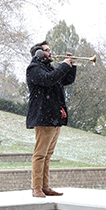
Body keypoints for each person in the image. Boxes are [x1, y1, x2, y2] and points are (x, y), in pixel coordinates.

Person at [26, 40, 76, 198]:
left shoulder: (49, 68)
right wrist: (64, 66)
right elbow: (49, 79)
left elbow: (67, 80)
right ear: (39, 54)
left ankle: (45, 186)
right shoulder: (34, 69)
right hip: (43, 117)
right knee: (40, 154)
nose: (50, 52)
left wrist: (71, 66)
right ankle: (36, 188)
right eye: (47, 50)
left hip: (54, 117)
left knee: (48, 155)